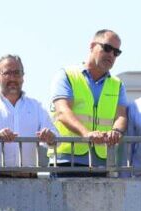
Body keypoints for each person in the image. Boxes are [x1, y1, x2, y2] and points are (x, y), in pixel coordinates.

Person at [49, 29, 129, 175]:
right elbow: (62, 112)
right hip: (66, 161)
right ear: (92, 46)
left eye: (116, 52)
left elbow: (121, 116)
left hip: (101, 162)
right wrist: (86, 134)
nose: (111, 55)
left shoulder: (117, 84)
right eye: (107, 48)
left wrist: (116, 131)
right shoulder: (66, 75)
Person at [0, 55, 56, 178]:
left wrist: (50, 136)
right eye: (7, 73)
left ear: (23, 77)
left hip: (29, 179)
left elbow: (56, 138)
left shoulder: (36, 106)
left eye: (17, 73)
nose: (12, 78)